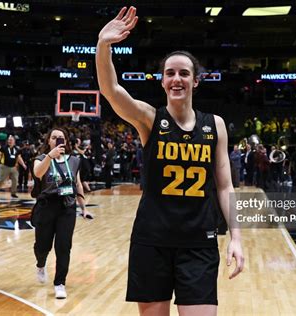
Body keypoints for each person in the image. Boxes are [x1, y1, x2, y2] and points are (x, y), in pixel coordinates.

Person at [96, 7, 243, 316]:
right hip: (152, 242)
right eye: (170, 73)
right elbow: (111, 90)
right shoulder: (149, 119)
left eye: (184, 73)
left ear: (196, 81)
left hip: (199, 243)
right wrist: (103, 45)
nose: (177, 79)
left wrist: (236, 237)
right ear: (162, 82)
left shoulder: (214, 124)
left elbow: (226, 186)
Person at [32, 127, 90, 299]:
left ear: (66, 142)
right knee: (42, 246)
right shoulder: (41, 158)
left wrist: (83, 208)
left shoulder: (73, 160)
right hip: (46, 206)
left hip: (67, 207)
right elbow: (37, 173)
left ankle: (60, 283)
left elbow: (78, 184)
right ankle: (40, 264)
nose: (58, 140)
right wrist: (51, 155)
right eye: (54, 137)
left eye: (61, 138)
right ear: (48, 141)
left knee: (64, 246)